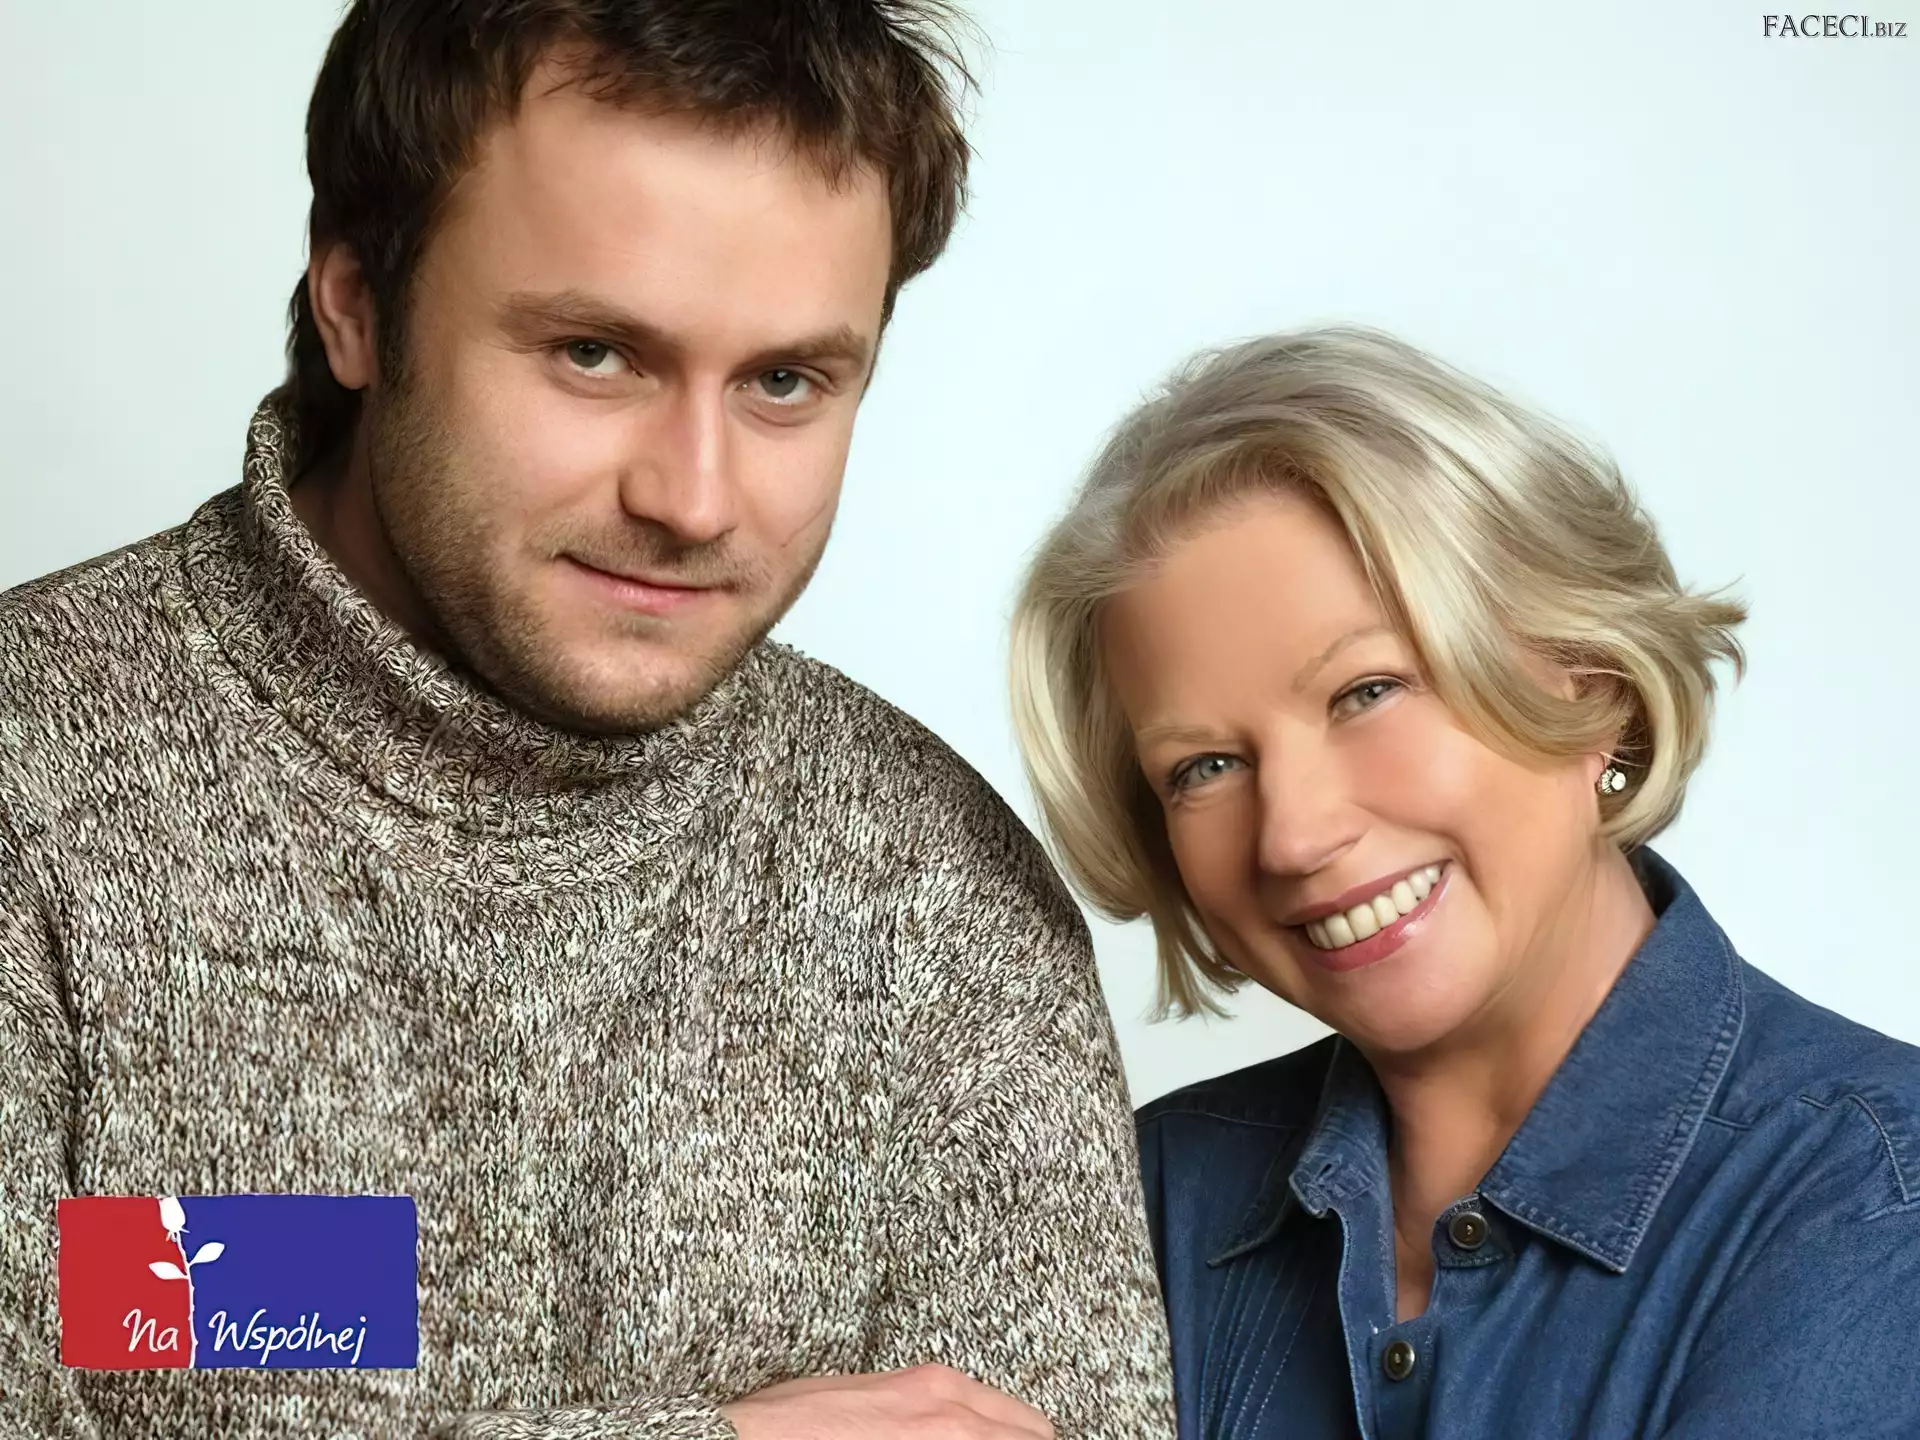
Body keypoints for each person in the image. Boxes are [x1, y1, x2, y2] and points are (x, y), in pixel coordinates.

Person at [0, 3, 1175, 1436]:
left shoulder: (943, 899)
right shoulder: (31, 779)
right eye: (596, 354)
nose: (692, 499)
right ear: (356, 303)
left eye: (785, 382)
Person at [1009, 326, 1920, 1438]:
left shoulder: (1872, 1196)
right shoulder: (1146, 1194)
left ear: (1591, 679)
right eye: (1204, 767)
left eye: (1367, 692)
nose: (1293, 835)